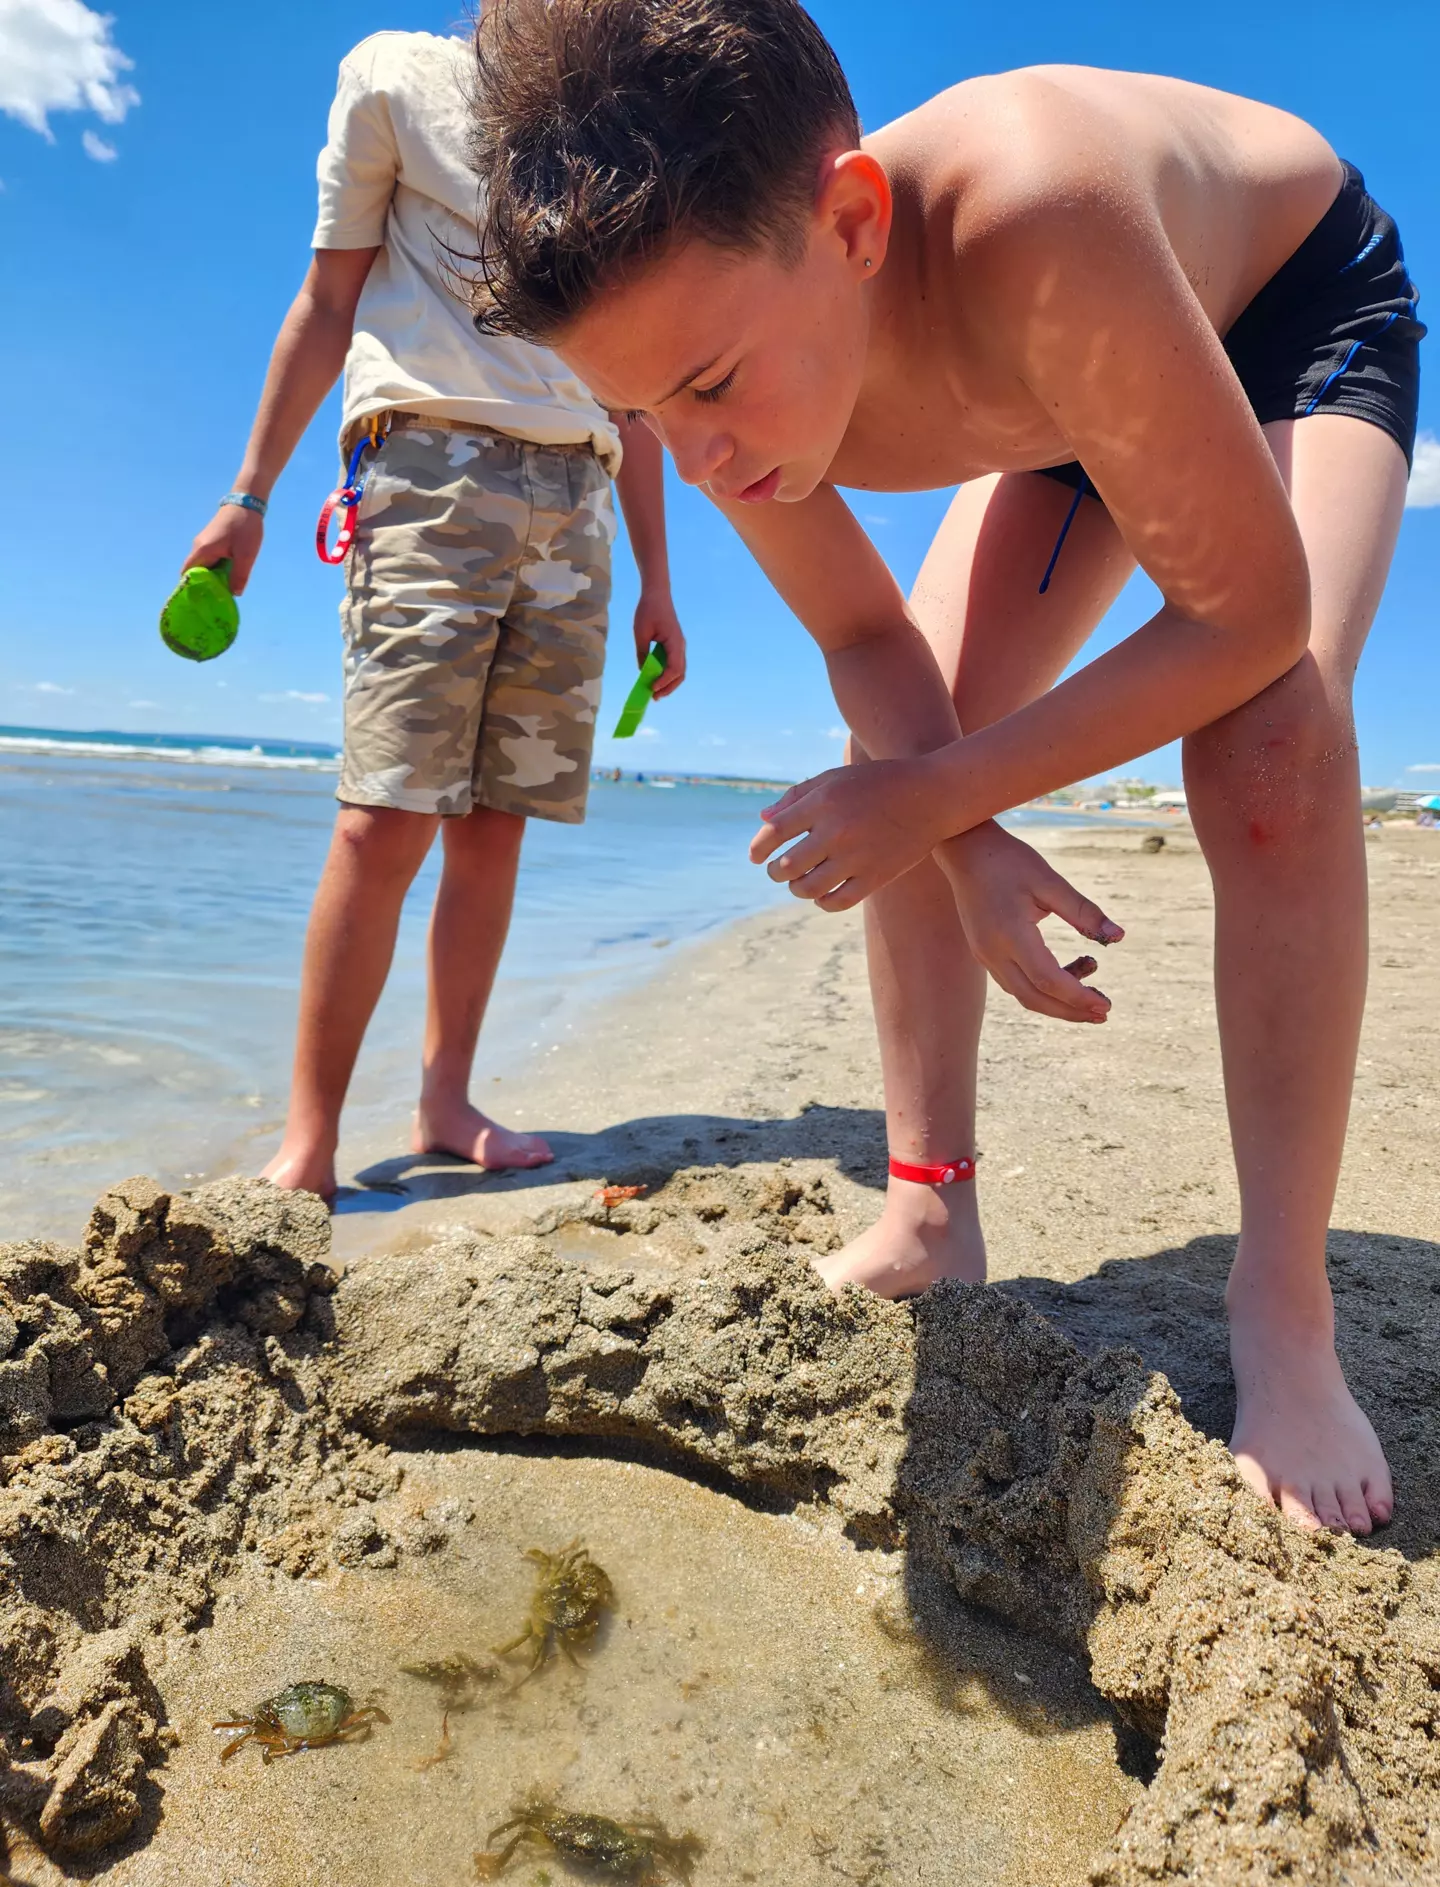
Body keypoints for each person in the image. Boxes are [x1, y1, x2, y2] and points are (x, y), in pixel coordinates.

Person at [464, 0, 1424, 1537]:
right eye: (642, 417)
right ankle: (929, 1205)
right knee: (889, 758)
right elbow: (864, 640)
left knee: (1274, 736)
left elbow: (1248, 612)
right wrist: (955, 827)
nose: (698, 465)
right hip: (1052, 391)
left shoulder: (1034, 205)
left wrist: (945, 797)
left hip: (1285, 311)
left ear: (851, 221)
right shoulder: (717, 370)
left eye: (707, 387)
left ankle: (1287, 1304)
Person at [181, 28, 684, 1201]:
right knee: (384, 817)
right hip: (428, 465)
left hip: (581, 492)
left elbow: (642, 387)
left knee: (497, 824)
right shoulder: (397, 76)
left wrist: (661, 577)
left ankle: (446, 1100)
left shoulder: (620, 108)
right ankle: (309, 1141)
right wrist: (247, 496)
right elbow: (327, 298)